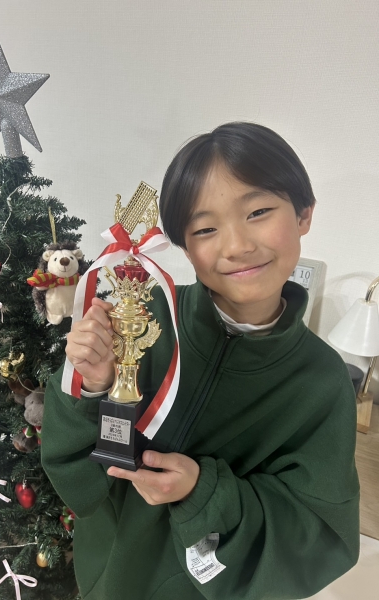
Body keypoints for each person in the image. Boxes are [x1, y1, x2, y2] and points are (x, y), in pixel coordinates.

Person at [41, 122, 360, 600]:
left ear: (303, 214)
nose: (237, 246)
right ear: (184, 246)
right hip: (107, 575)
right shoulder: (142, 319)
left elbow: (318, 535)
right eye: (206, 228)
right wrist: (94, 388)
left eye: (258, 211)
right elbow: (76, 473)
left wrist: (204, 493)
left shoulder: (322, 381)